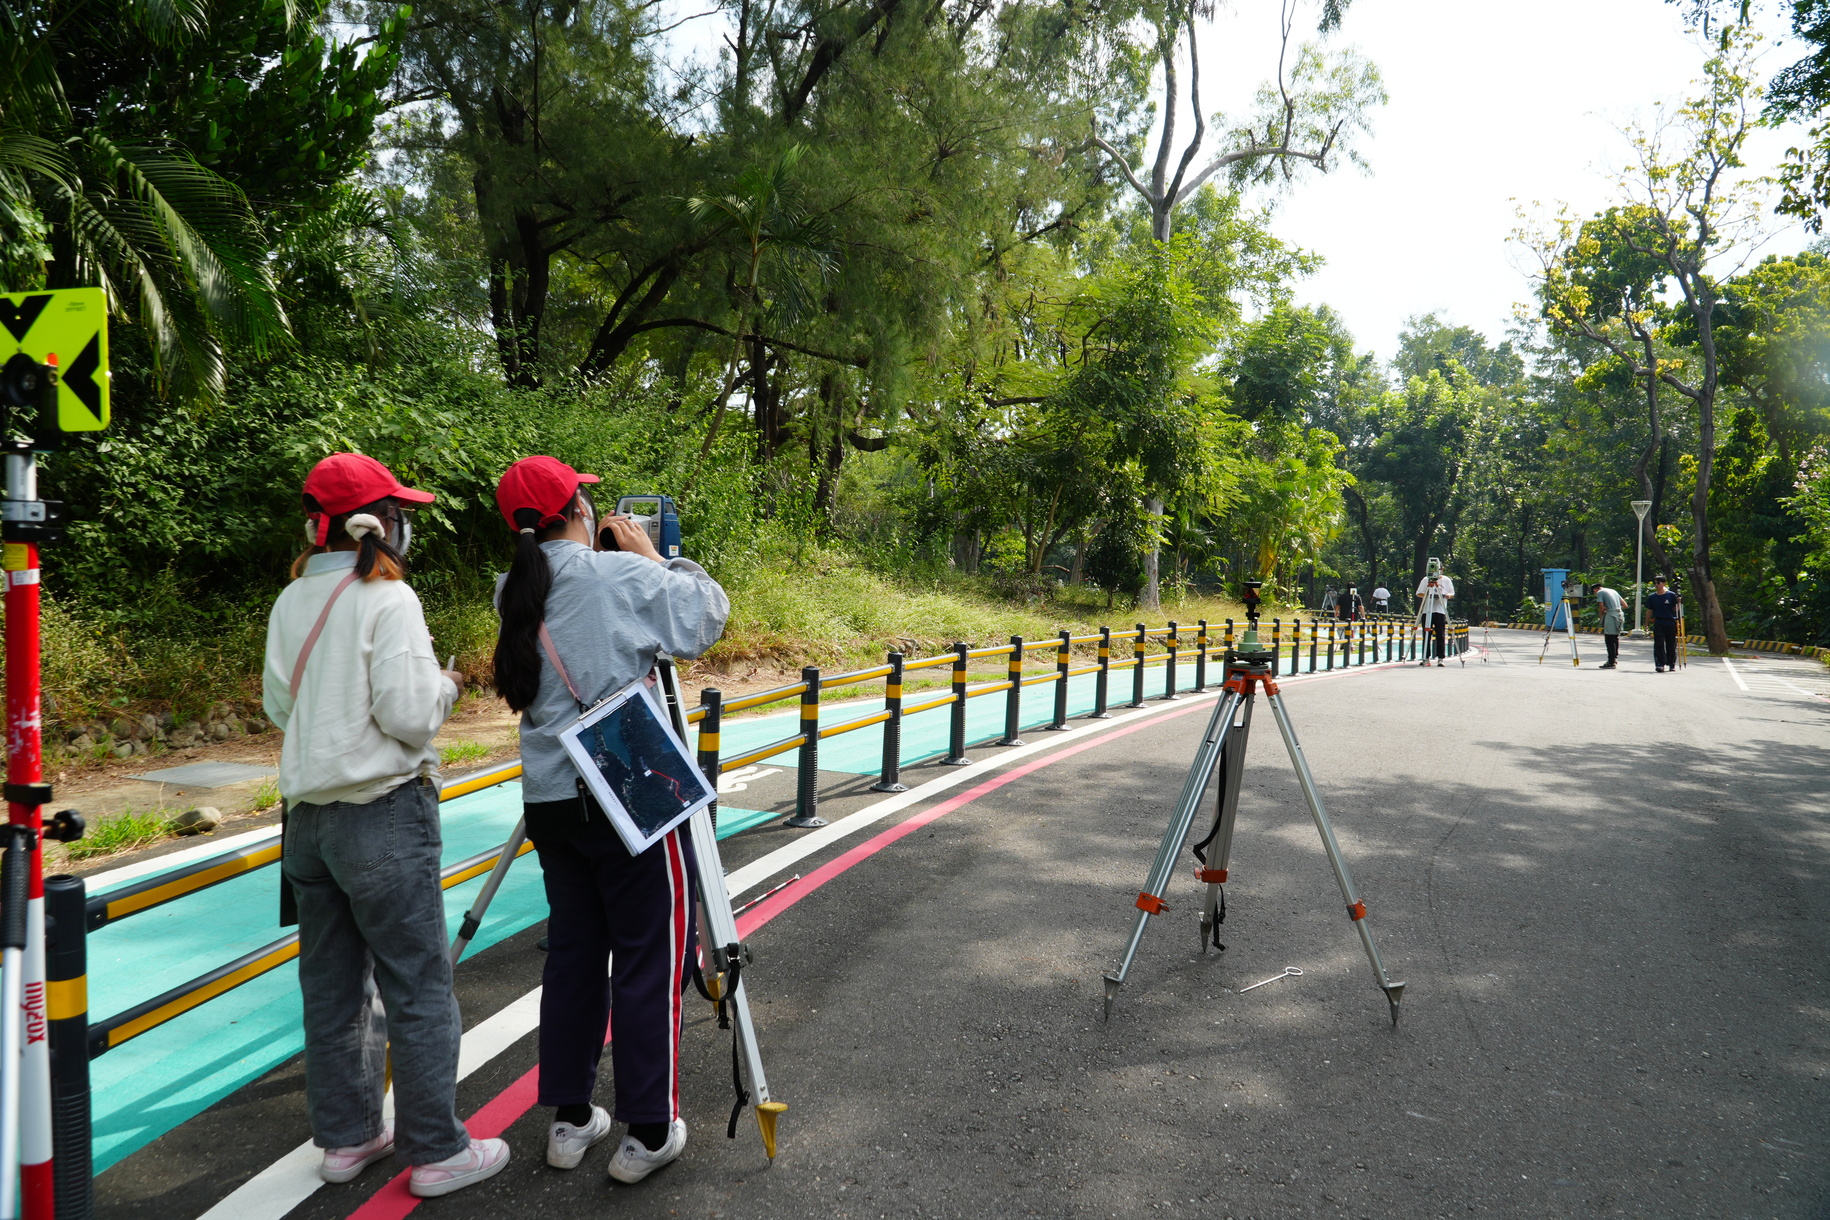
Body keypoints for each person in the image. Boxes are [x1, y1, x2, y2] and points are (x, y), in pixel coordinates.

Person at [263, 453, 508, 1197]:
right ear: (382, 524)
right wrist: (447, 687)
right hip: (382, 815)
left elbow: (282, 709)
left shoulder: (289, 603)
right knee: (418, 985)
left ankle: (346, 1138)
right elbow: (406, 717)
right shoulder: (389, 600)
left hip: (306, 825)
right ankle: (436, 1151)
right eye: (400, 512)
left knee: (332, 989)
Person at [491, 456, 729, 1184]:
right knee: (647, 959)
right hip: (627, 794)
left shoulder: (511, 589)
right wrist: (661, 556)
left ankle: (569, 1121)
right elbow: (706, 616)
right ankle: (648, 1130)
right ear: (576, 509)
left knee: (573, 956)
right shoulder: (618, 576)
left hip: (552, 803)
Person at [1415, 561, 1455, 666]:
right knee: (1426, 634)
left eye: (1439, 569)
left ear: (1442, 569)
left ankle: (1440, 658)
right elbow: (1419, 593)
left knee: (1440, 635)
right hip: (1427, 610)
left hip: (1440, 610)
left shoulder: (1446, 580)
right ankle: (1425, 658)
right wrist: (1429, 594)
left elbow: (1452, 593)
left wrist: (1446, 595)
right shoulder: (1425, 579)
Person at [1647, 575, 1682, 673]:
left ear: (1664, 583)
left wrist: (1679, 603)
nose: (1656, 585)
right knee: (1658, 643)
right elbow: (1649, 611)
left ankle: (1671, 664)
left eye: (1658, 583)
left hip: (1670, 622)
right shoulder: (1652, 597)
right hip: (1658, 622)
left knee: (1671, 643)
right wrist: (1646, 623)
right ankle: (1660, 664)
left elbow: (1675, 609)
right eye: (1655, 583)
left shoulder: (1671, 595)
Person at [1594, 584, 1626, 669]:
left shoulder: (1600, 592)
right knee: (1615, 638)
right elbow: (1625, 605)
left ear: (1595, 590)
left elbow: (1601, 608)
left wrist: (1602, 620)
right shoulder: (1613, 591)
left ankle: (1611, 661)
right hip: (1619, 615)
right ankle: (1614, 658)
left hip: (1611, 616)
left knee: (1609, 639)